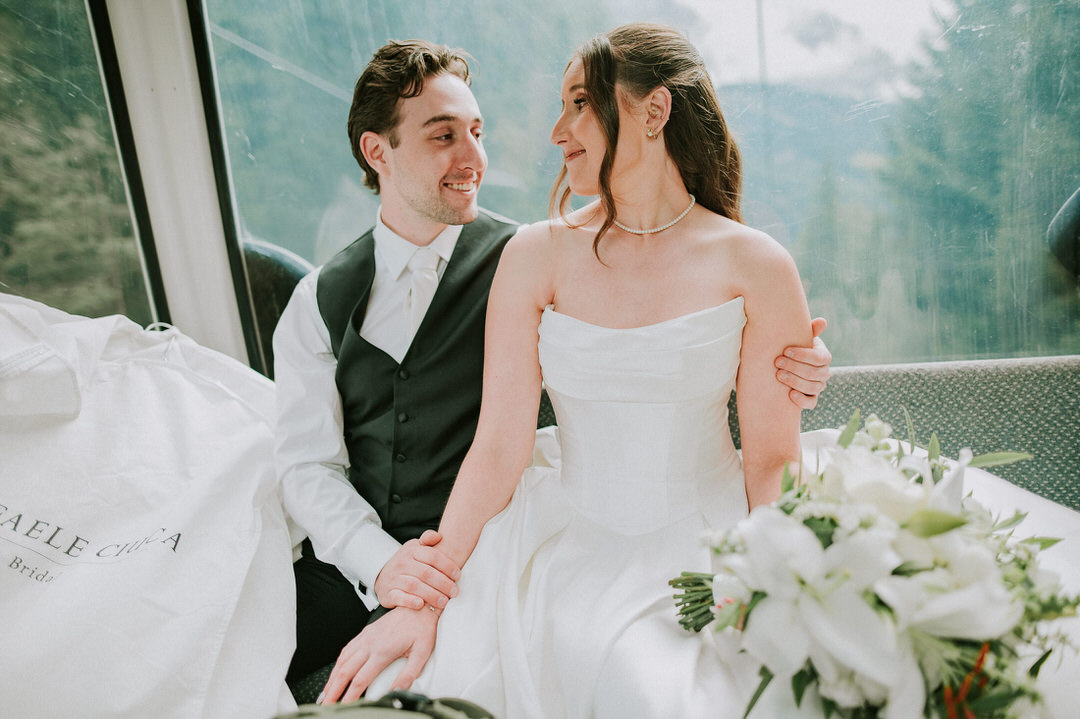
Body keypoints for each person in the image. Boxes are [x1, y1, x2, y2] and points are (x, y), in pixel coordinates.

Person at [273, 37, 831, 697]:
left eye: (578, 104)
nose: (554, 131)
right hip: (539, 540)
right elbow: (491, 446)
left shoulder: (755, 263)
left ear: (654, 113)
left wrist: (774, 576)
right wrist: (415, 594)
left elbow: (772, 457)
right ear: (379, 152)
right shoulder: (531, 256)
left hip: (706, 532)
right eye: (443, 135)